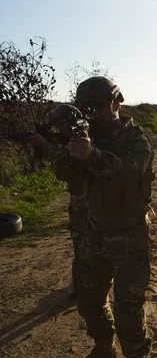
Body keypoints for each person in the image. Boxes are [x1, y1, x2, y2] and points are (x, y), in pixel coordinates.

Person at [54, 77, 154, 358]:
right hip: (94, 231)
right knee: (89, 300)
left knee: (128, 309)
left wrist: (92, 156)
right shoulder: (87, 135)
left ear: (116, 103)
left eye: (98, 106)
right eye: (86, 107)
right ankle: (103, 349)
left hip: (129, 233)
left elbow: (131, 171)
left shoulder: (135, 139)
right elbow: (61, 170)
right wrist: (73, 153)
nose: (93, 112)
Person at [24, 105, 89, 298]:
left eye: (62, 123)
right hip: (79, 198)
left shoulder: (81, 139)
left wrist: (45, 145)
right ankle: (82, 287)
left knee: (85, 244)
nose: (60, 128)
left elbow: (66, 168)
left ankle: (86, 289)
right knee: (80, 244)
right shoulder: (68, 139)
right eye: (57, 125)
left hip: (86, 198)